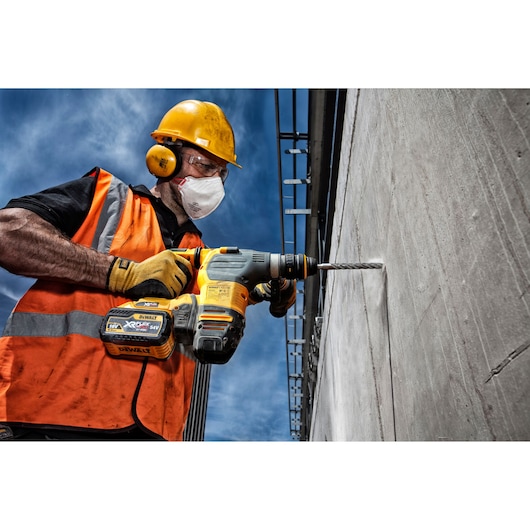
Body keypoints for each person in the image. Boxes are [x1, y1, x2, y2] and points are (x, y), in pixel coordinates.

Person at [0, 99, 295, 441]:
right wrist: (122, 274)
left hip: (151, 432)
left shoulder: (200, 254)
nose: (215, 181)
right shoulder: (106, 199)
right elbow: (9, 233)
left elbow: (204, 323)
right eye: (204, 165)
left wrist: (252, 289)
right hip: (47, 417)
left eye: (221, 172)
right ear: (164, 159)